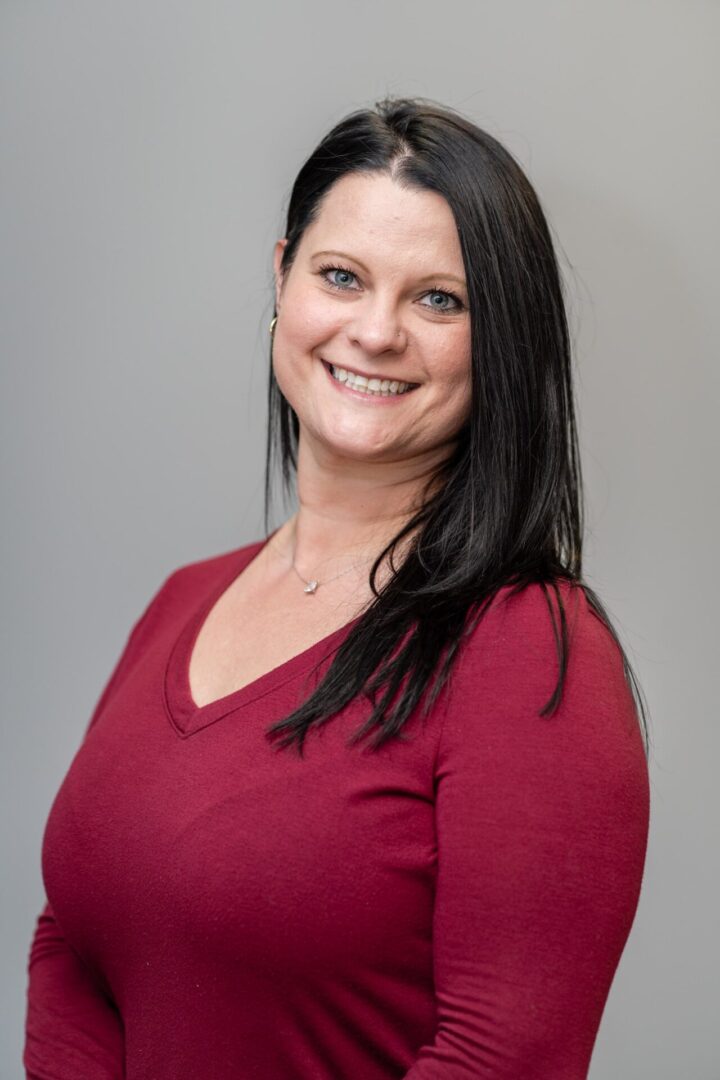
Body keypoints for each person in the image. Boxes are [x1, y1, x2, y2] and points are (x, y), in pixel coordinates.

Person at [23, 96, 651, 1079]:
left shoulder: (529, 649)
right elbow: (75, 941)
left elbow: (506, 1053)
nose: (377, 331)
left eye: (439, 299)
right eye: (342, 276)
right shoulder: (182, 603)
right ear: (282, 278)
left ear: (501, 338)